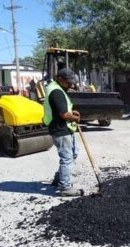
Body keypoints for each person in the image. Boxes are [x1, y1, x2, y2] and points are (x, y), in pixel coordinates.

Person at [43, 68, 82, 196]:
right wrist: (74, 117)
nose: (71, 84)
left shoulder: (58, 88)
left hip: (64, 127)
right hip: (60, 129)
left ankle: (59, 178)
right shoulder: (56, 92)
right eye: (68, 82)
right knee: (67, 158)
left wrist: (72, 113)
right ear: (60, 79)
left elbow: (64, 110)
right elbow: (64, 115)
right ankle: (65, 187)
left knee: (73, 153)